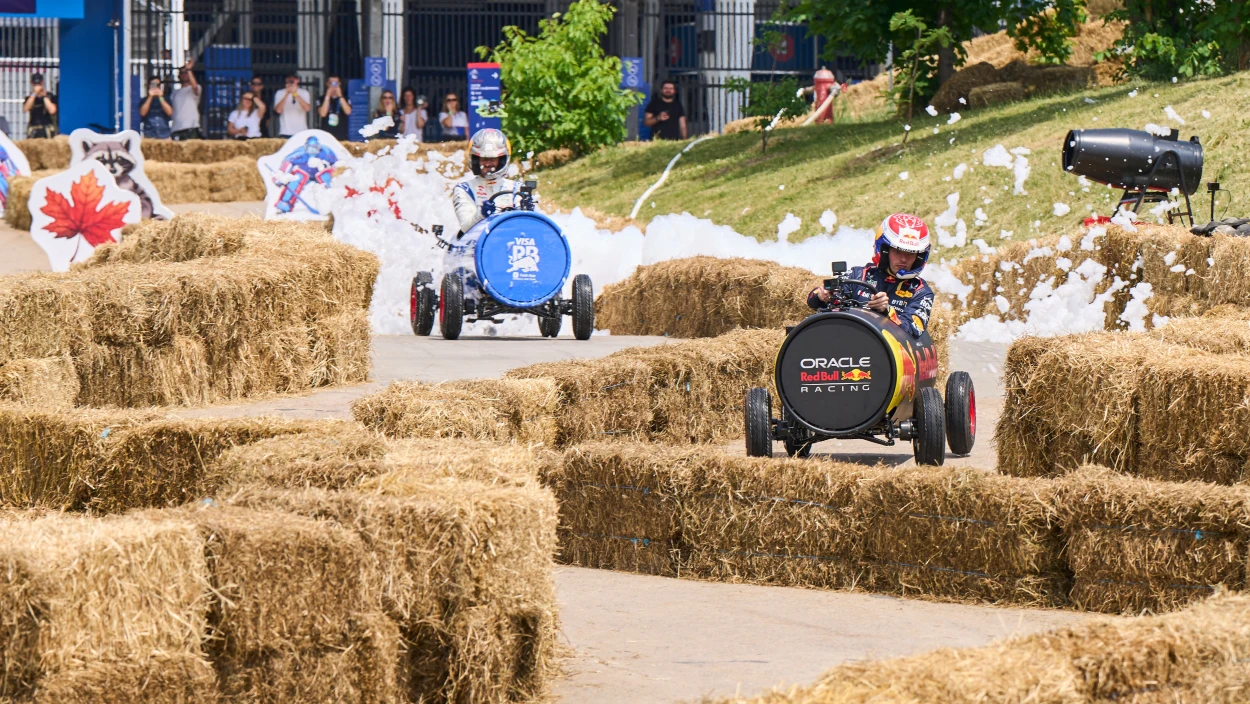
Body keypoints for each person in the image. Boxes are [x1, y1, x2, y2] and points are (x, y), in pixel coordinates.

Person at [809, 213, 935, 339]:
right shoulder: (858, 275)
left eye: (910, 254)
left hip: (887, 353)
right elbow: (813, 301)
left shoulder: (922, 292)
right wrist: (822, 295)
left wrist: (887, 312)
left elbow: (913, 330)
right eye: (897, 251)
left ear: (919, 257)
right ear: (884, 251)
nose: (903, 259)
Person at [451, 128, 516, 233]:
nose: (488, 164)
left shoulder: (517, 189)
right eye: (483, 159)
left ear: (502, 160)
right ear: (476, 160)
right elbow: (465, 226)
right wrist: (481, 214)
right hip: (476, 244)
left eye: (492, 159)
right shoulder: (464, 189)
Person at [272, 135, 339, 214]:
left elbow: (337, 166)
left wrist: (323, 166)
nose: (312, 150)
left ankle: (333, 204)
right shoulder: (300, 153)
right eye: (310, 147)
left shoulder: (326, 152)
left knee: (327, 177)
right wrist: (281, 175)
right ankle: (284, 204)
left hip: (320, 174)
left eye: (315, 147)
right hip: (305, 175)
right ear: (306, 147)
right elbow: (288, 162)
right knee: (296, 179)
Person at [170, 60, 202, 141]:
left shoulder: (196, 88)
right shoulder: (175, 92)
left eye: (186, 73)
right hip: (176, 127)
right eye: (182, 73)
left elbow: (195, 87)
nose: (184, 75)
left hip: (190, 126)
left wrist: (189, 70)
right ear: (179, 76)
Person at [273, 74, 311, 138]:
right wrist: (287, 94)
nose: (292, 80)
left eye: (294, 79)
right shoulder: (280, 93)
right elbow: (278, 111)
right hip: (285, 131)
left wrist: (295, 94)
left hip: (301, 131)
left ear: (298, 80)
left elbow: (307, 108)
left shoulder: (304, 93)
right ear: (286, 80)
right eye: (289, 79)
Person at [23, 72, 58, 139]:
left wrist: (44, 96)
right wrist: (34, 94)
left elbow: (52, 110)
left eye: (39, 83)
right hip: (34, 129)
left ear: (42, 82)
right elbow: (25, 109)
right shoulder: (29, 98)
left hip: (47, 129)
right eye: (35, 83)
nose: (38, 85)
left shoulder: (50, 96)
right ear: (32, 83)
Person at [317, 75, 352, 142]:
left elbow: (348, 112)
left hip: (341, 135)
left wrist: (340, 96)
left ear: (339, 84)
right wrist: (327, 96)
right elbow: (322, 114)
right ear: (327, 84)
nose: (333, 86)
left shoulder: (345, 98)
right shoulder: (321, 99)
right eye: (331, 83)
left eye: (335, 83)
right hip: (326, 135)